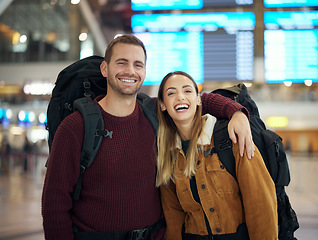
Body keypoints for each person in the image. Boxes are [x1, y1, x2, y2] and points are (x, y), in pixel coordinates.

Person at [42, 35, 254, 240]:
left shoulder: (152, 112)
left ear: (144, 71)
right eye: (121, 63)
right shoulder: (75, 127)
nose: (130, 71)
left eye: (138, 65)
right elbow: (54, 203)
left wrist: (236, 112)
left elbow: (198, 99)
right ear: (105, 69)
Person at [156, 71, 278, 240]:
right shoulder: (168, 155)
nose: (180, 97)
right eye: (171, 93)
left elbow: (260, 205)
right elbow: (173, 216)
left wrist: (237, 112)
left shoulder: (232, 137)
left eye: (187, 91)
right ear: (162, 104)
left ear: (199, 100)